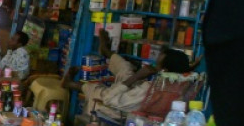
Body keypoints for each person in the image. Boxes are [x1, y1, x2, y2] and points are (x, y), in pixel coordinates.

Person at [62, 29, 194, 118]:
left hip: (120, 111)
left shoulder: (150, 89)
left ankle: (71, 84)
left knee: (98, 90)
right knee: (126, 69)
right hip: (130, 96)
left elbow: (109, 99)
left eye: (157, 64)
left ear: (164, 70)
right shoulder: (177, 83)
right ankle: (106, 51)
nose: (155, 65)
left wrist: (137, 77)